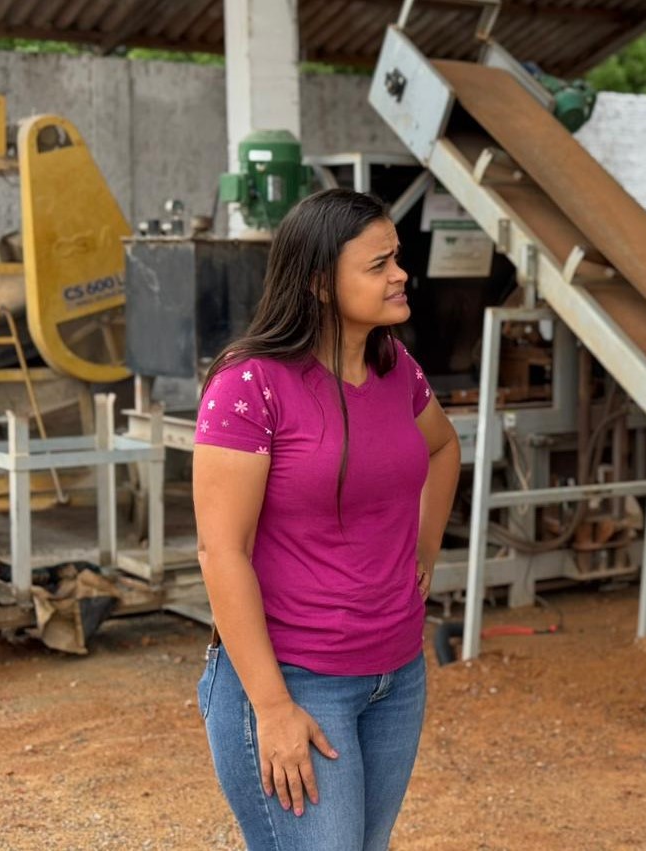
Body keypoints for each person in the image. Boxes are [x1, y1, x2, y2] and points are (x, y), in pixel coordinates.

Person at [192, 188, 460, 851]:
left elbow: (443, 446)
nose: (400, 274)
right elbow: (221, 551)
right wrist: (273, 707)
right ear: (318, 282)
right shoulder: (250, 384)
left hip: (397, 674)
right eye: (378, 264)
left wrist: (424, 550)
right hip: (295, 678)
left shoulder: (396, 369)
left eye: (397, 257)